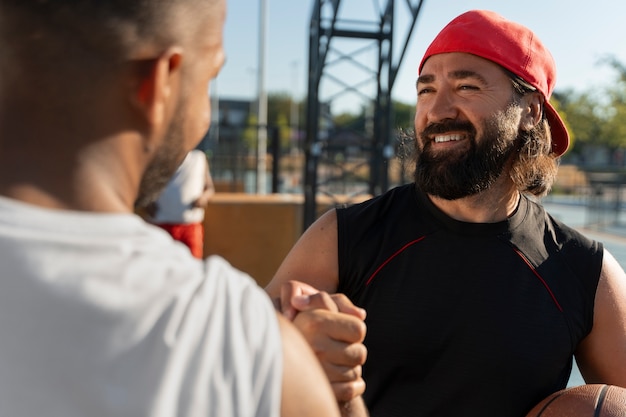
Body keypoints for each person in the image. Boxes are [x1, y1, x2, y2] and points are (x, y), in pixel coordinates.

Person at [266, 9, 626, 417]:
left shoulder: (585, 270)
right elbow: (240, 368)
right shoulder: (343, 237)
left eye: (467, 87)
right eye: (426, 90)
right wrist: (286, 348)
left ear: (530, 111)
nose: (437, 111)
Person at [0, 1, 346, 416]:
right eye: (208, 80)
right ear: (159, 82)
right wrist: (332, 387)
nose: (205, 115)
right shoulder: (244, 346)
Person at [142, 149, 215, 258]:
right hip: (160, 224)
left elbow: (210, 188)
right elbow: (141, 184)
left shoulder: (199, 157)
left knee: (193, 266)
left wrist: (203, 198)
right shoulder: (156, 156)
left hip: (190, 224)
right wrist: (146, 202)